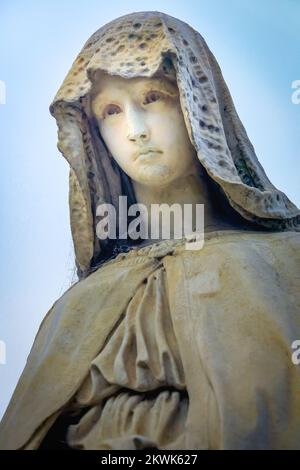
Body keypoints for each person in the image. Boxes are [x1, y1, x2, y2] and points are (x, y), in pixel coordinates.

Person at [1, 11, 300, 450]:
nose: (136, 131)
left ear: (198, 105)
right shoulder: (75, 308)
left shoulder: (288, 264)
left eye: (154, 97)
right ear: (94, 136)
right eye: (111, 111)